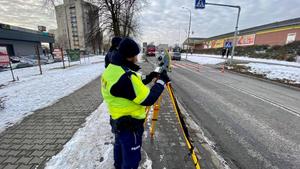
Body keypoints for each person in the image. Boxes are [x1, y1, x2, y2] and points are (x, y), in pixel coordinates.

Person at [101, 38, 170, 169]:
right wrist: (161, 81)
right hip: (129, 126)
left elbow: (132, 86)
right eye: (135, 56)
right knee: (131, 162)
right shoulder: (126, 78)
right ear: (128, 56)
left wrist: (150, 77)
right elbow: (148, 98)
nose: (137, 59)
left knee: (119, 152)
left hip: (117, 121)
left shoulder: (112, 68)